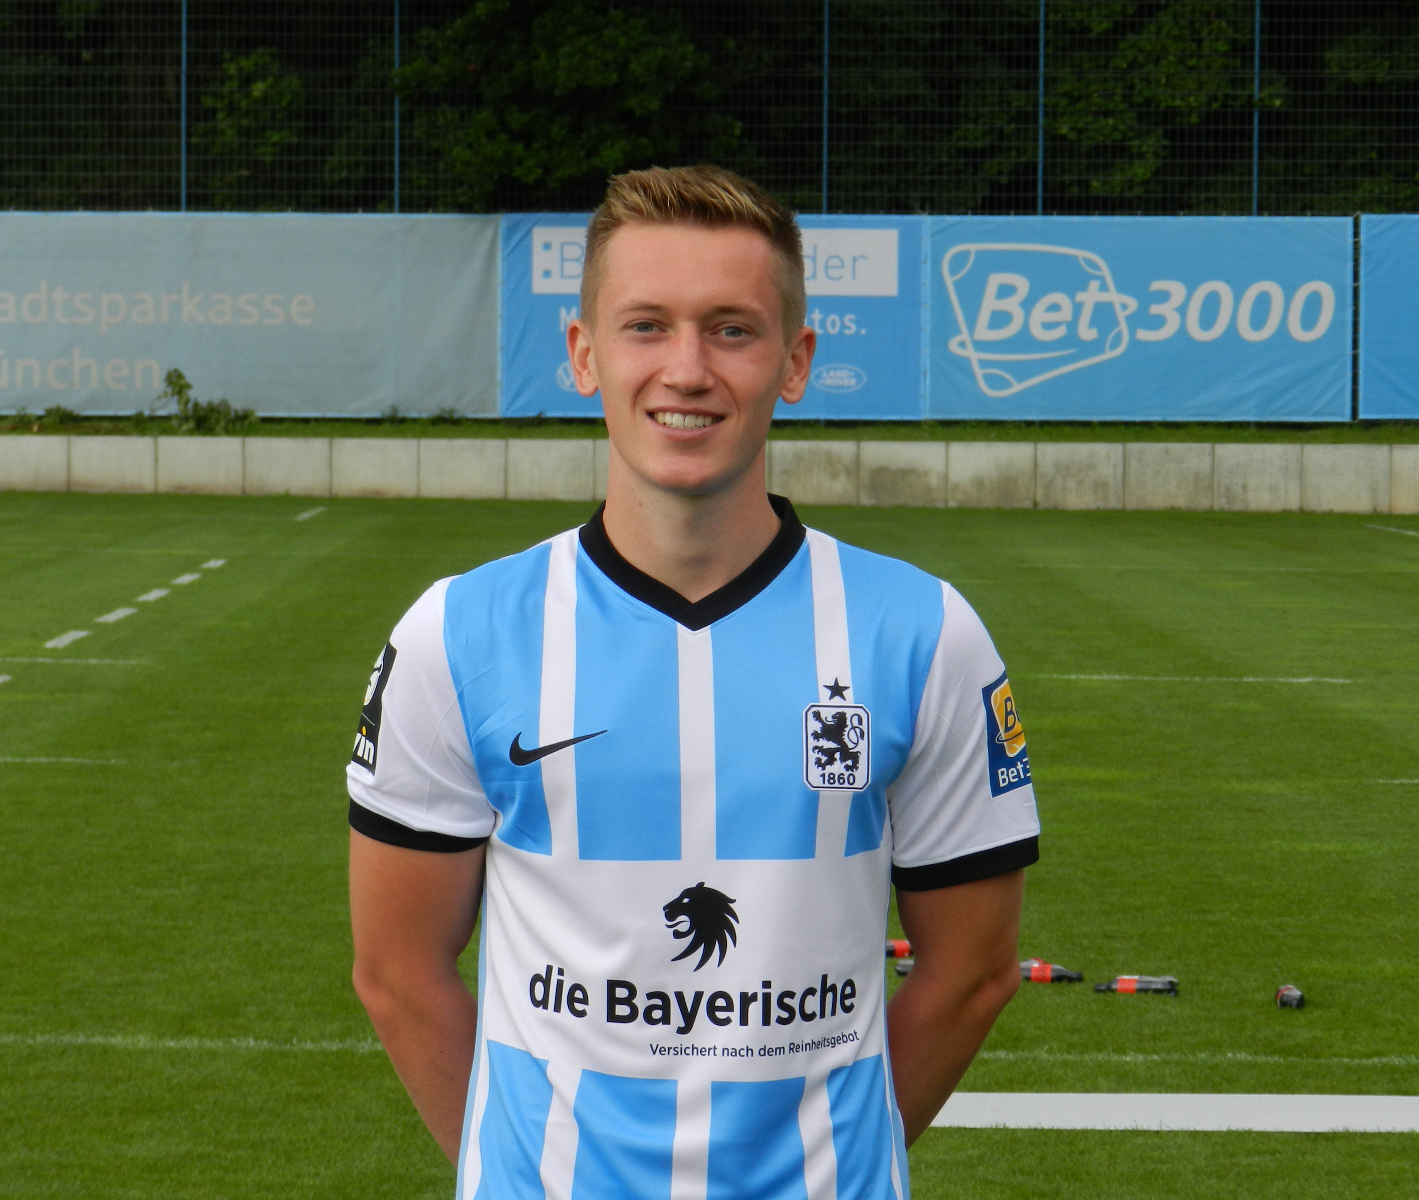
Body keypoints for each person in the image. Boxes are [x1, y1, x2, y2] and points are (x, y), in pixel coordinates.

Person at [348, 165, 1038, 1199]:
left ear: (794, 362)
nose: (686, 369)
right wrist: (521, 1174)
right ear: (583, 355)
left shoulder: (921, 631)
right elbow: (398, 973)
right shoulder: (458, 633)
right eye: (645, 327)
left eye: (730, 329)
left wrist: (837, 1163)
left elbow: (973, 972)